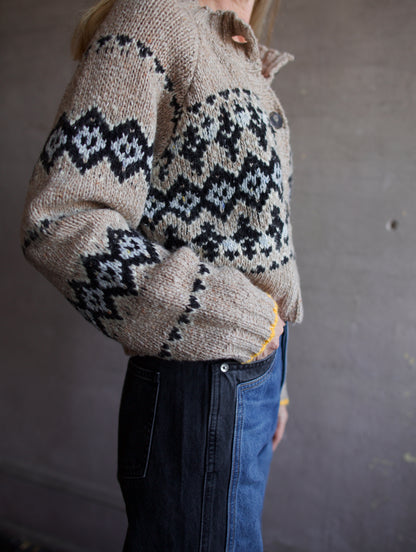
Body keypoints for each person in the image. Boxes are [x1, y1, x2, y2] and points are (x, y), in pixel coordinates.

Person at [20, 0, 303, 549]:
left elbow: (253, 238)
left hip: (252, 369)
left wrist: (277, 377)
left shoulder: (236, 52)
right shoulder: (151, 18)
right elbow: (60, 218)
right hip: (200, 377)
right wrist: (238, 320)